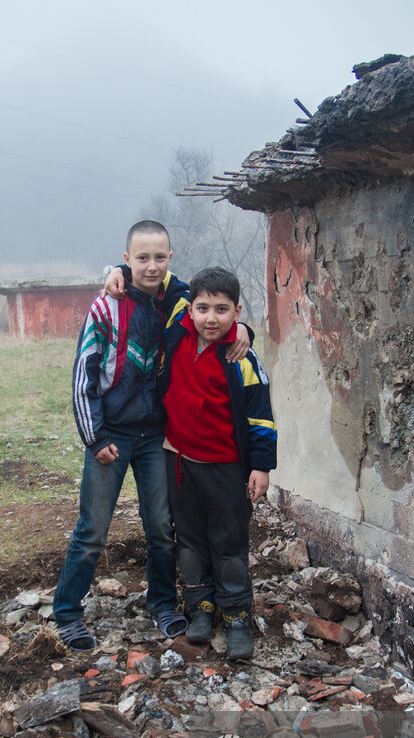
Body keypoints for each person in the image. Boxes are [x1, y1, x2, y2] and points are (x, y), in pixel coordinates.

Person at [51, 221, 246, 651]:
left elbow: (213, 310)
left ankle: (162, 604)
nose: (151, 266)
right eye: (142, 258)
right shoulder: (105, 306)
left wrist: (243, 328)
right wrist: (94, 437)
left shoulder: (177, 304)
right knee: (93, 529)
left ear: (170, 259)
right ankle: (66, 612)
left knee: (161, 526)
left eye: (160, 257)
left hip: (156, 437)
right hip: (111, 436)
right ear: (126, 259)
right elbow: (83, 375)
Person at [158, 267, 276, 661]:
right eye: (203, 308)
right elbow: (162, 277)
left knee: (227, 542)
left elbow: (261, 417)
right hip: (179, 463)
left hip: (226, 467)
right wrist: (118, 273)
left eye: (222, 309)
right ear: (189, 309)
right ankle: (201, 609)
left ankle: (237, 615)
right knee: (189, 539)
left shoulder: (240, 357)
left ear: (237, 311)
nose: (211, 318)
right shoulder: (177, 333)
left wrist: (261, 466)